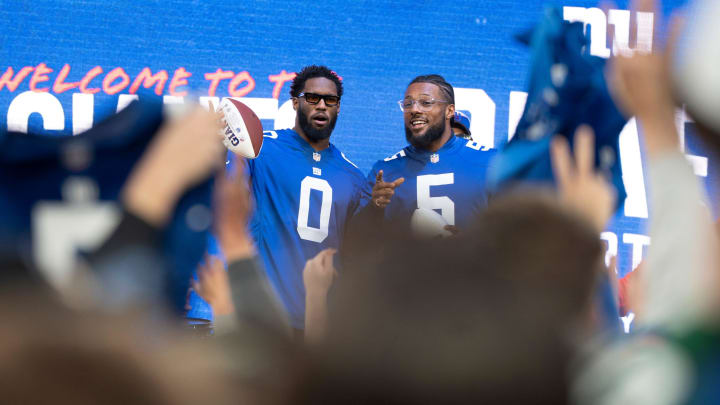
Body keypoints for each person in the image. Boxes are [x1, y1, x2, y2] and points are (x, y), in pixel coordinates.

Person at [243, 65, 366, 332]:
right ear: (295, 102)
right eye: (313, 98)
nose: (321, 105)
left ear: (339, 108)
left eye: (330, 100)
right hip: (264, 318)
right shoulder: (259, 148)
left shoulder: (354, 177)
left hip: (320, 325)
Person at [361, 74, 495, 233]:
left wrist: (472, 244)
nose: (414, 109)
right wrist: (374, 208)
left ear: (449, 111)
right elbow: (356, 243)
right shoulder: (385, 173)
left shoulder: (491, 162)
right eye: (408, 103)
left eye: (425, 102)